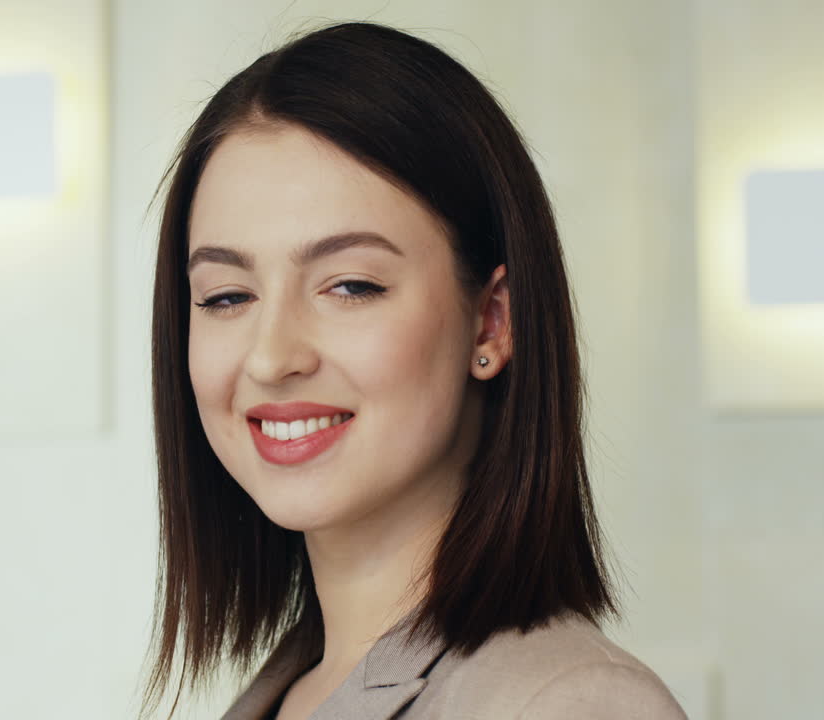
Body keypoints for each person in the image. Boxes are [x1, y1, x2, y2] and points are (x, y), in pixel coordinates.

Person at [140, 21, 688, 720]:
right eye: (227, 296)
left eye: (351, 286)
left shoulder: (567, 704)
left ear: (491, 321)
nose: (272, 357)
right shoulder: (289, 688)